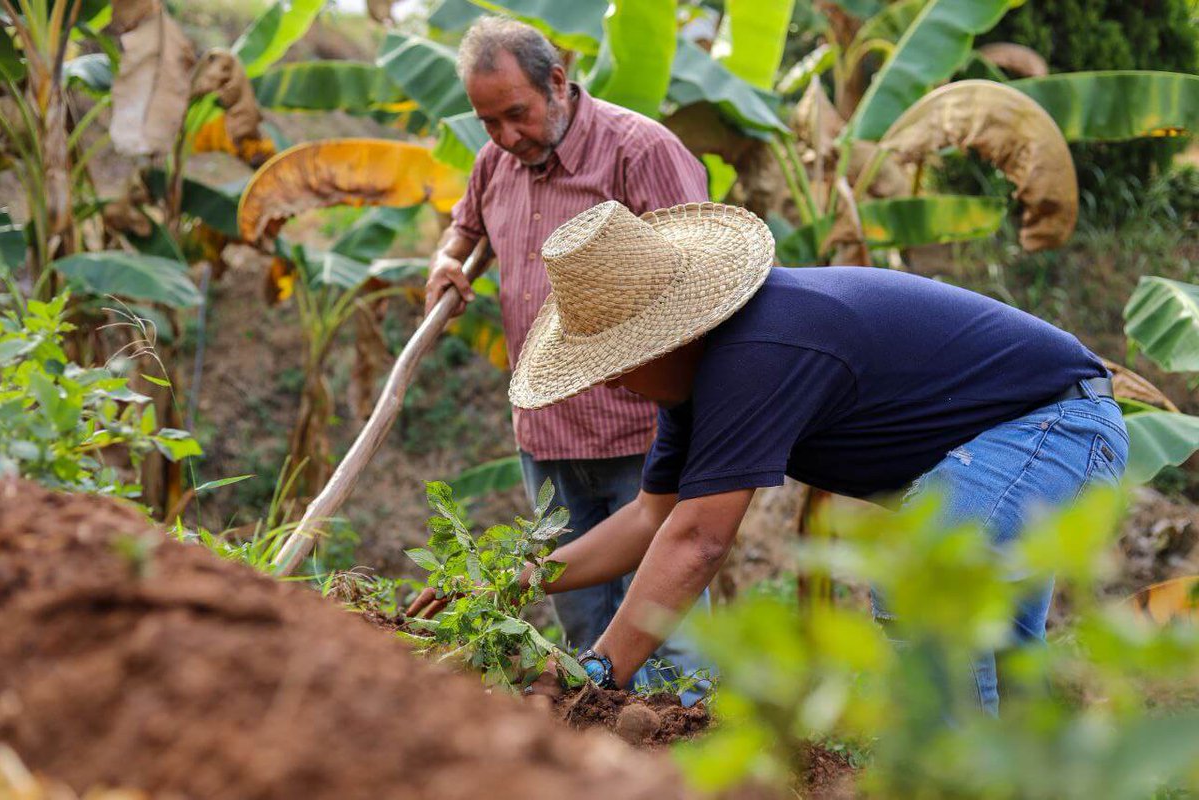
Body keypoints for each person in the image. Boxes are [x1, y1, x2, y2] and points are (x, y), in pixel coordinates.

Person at [448, 199, 1125, 713]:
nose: (609, 381)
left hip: (1055, 428)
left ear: (664, 335)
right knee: (1002, 674)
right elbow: (650, 520)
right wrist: (499, 583)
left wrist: (595, 677)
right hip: (1034, 439)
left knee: (923, 581)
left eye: (614, 364)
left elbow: (698, 542)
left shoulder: (757, 353)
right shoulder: (701, 381)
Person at [422, 16, 713, 700]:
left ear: (557, 82)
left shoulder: (638, 152)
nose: (504, 137)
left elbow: (699, 284)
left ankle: (699, 763)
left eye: (515, 115)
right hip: (547, 439)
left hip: (644, 435)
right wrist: (444, 262)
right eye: (487, 121)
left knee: (668, 626)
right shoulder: (495, 161)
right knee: (582, 626)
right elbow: (465, 228)